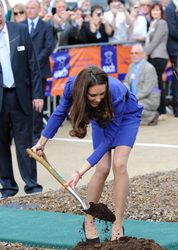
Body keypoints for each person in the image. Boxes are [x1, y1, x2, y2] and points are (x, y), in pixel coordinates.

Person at [32, 66, 143, 241]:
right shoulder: (72, 86)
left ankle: (118, 223)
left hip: (126, 115)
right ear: (83, 91)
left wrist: (79, 172)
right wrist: (41, 143)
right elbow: (60, 113)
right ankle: (89, 220)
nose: (98, 99)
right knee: (103, 168)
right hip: (101, 116)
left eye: (101, 94)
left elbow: (108, 140)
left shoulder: (116, 93)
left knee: (119, 164)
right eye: (93, 95)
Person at [0, 0, 44, 199]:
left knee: (25, 143)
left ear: (4, 11)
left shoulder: (20, 30)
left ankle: (32, 185)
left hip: (21, 96)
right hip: (1, 99)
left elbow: (33, 65)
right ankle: (8, 187)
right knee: (1, 145)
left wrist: (37, 94)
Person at [24, 0, 54, 143]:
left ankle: (36, 133)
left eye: (32, 8)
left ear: (38, 9)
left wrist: (33, 63)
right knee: (24, 102)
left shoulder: (46, 27)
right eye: (27, 8)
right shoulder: (20, 26)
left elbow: (48, 47)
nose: (29, 10)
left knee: (38, 102)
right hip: (23, 72)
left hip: (40, 71)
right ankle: (26, 131)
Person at [124, 44, 160, 125]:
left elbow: (146, 90)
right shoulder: (131, 66)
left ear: (143, 54)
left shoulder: (149, 68)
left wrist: (132, 99)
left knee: (131, 106)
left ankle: (152, 115)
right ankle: (141, 118)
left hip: (150, 99)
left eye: (136, 53)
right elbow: (126, 82)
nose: (133, 55)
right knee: (124, 106)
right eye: (132, 53)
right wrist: (126, 94)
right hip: (135, 97)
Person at [145, 2, 169, 121]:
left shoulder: (162, 23)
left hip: (159, 57)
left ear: (161, 12)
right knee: (156, 84)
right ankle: (158, 109)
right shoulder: (152, 24)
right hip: (153, 56)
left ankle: (162, 110)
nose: (155, 12)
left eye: (158, 10)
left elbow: (155, 41)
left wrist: (145, 53)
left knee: (158, 84)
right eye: (153, 10)